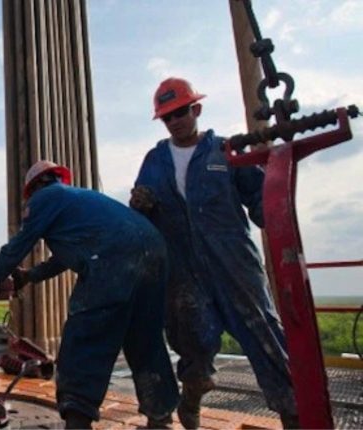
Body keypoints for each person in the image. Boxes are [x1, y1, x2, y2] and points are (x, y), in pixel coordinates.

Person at [130, 77, 298, 429]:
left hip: (234, 265)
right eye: (167, 117)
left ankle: (294, 415)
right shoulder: (155, 160)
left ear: (196, 109)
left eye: (180, 112)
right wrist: (140, 206)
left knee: (265, 338)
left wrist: (283, 227)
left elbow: (262, 200)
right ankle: (192, 397)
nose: (175, 121)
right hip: (183, 272)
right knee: (192, 344)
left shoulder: (226, 151)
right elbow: (141, 213)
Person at [0, 160, 180, 429]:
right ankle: (160, 416)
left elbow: (18, 246)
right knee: (145, 338)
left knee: (85, 338)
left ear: (34, 187)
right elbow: (62, 259)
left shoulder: (45, 198)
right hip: (154, 250)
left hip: (113, 257)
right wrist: (29, 276)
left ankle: (78, 421)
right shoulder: (79, 200)